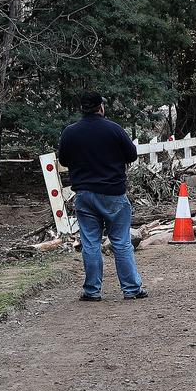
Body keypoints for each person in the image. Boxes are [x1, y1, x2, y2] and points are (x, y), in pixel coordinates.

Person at [59, 91, 147, 302]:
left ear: (82, 108)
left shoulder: (70, 132)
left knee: (90, 243)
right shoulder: (113, 129)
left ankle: (92, 290)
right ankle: (131, 289)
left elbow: (63, 159)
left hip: (84, 194)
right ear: (101, 107)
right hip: (113, 193)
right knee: (121, 242)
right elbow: (132, 155)